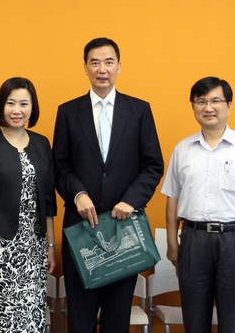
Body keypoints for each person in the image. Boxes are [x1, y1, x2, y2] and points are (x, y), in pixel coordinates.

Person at [52, 37, 164, 333]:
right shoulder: (67, 112)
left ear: (119, 67)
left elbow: (153, 165)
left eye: (109, 62)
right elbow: (60, 165)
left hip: (123, 229)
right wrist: (77, 193)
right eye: (95, 62)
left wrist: (132, 200)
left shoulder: (139, 111)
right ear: (86, 68)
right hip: (81, 230)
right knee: (80, 319)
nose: (102, 69)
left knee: (117, 320)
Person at [162, 76, 235, 333]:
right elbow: (172, 198)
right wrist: (172, 242)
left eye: (215, 101)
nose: (208, 107)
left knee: (234, 319)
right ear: (193, 106)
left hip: (234, 241)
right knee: (193, 317)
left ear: (229, 105)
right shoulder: (183, 149)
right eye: (201, 101)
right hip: (193, 239)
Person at [0, 77, 56, 331]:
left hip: (32, 249)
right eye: (11, 103)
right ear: (1, 106)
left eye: (24, 104)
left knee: (29, 316)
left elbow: (48, 200)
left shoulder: (41, 144)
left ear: (32, 108)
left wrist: (50, 245)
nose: (17, 110)